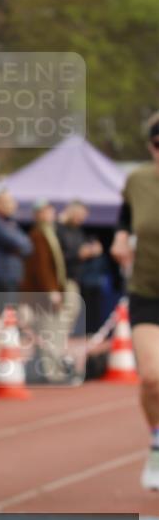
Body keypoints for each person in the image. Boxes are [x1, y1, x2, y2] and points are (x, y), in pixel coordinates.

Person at [111, 112, 159, 490]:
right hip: (148, 289)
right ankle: (157, 442)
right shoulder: (138, 180)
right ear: (151, 147)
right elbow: (125, 216)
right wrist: (121, 238)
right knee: (152, 378)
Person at [22, 199, 81, 382]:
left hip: (52, 289)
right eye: (45, 211)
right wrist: (51, 290)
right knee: (50, 331)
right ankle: (52, 373)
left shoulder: (50, 232)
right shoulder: (38, 235)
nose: (49, 214)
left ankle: (51, 371)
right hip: (43, 293)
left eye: (50, 210)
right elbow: (42, 266)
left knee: (52, 331)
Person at [57, 200, 103, 336]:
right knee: (65, 313)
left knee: (72, 311)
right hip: (61, 279)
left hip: (74, 279)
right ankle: (55, 349)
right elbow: (56, 256)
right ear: (71, 211)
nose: (81, 219)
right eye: (80, 215)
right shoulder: (58, 228)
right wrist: (78, 254)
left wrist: (92, 251)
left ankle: (59, 348)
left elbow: (81, 250)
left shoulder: (76, 230)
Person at [0, 188, 32, 297]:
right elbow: (14, 242)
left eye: (12, 201)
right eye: (7, 202)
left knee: (10, 312)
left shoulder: (11, 223)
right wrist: (18, 246)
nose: (12, 205)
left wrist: (18, 246)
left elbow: (28, 246)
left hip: (12, 277)